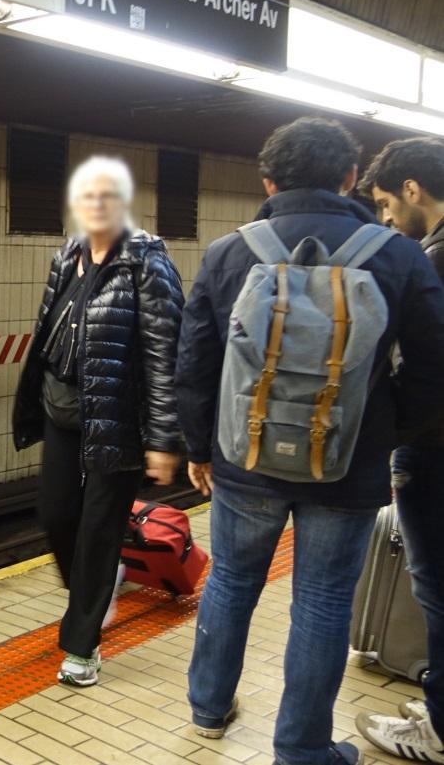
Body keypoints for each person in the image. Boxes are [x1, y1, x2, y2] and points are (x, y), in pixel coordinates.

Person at [177, 118, 444, 765]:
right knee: (322, 601)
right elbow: (436, 368)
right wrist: (384, 431)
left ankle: (209, 709)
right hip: (347, 470)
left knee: (233, 581)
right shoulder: (397, 254)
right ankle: (301, 747)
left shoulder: (229, 251)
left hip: (245, 463)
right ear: (351, 178)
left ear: (268, 181)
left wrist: (198, 445)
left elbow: (194, 359)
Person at [13, 155, 184, 688]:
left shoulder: (147, 265)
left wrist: (162, 439)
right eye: (86, 197)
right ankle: (101, 582)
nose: (95, 206)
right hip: (62, 409)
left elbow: (164, 357)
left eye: (106, 196)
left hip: (117, 419)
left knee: (97, 527)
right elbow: (47, 333)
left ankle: (82, 647)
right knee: (56, 515)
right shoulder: (67, 256)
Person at [354, 138, 444, 764]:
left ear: (413, 190)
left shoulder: (433, 259)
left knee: (436, 587)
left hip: (436, 448)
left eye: (387, 203)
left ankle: (437, 732)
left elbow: (423, 364)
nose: (386, 218)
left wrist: (398, 434)